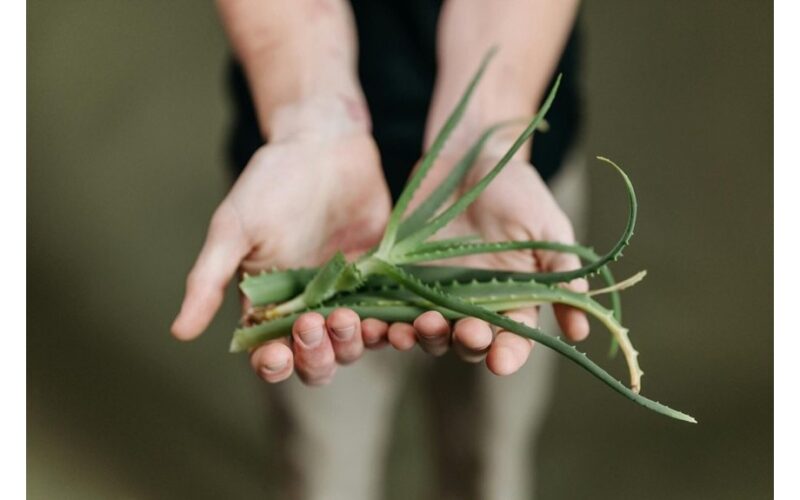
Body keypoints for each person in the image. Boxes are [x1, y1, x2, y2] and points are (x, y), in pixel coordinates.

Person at [172, 1, 588, 498]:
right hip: (305, 201)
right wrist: (308, 116)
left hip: (499, 199)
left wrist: (489, 129)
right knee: (320, 462)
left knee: (487, 460)